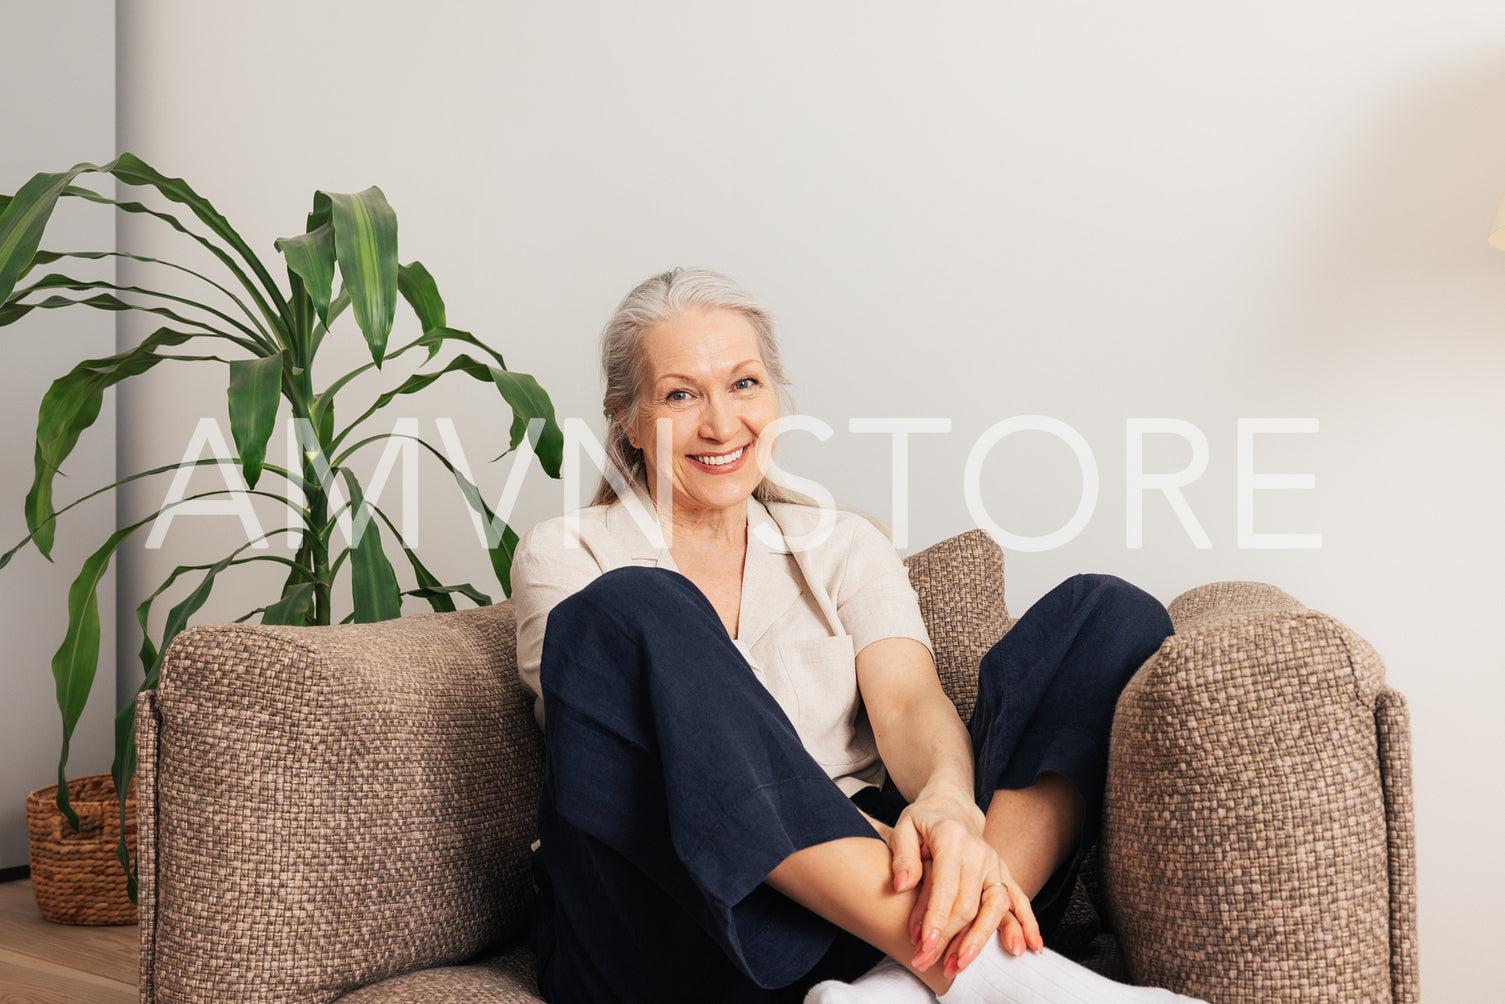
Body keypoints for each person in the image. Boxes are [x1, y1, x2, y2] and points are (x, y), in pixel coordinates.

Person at [511, 267, 1205, 1004]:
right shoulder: (569, 555)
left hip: (864, 903)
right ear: (626, 416)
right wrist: (898, 850)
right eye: (680, 394)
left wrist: (945, 805)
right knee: (636, 606)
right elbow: (634, 770)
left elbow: (906, 705)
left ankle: (899, 981)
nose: (720, 424)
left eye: (744, 384)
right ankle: (976, 964)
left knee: (1107, 614)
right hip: (684, 911)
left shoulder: (841, 541)